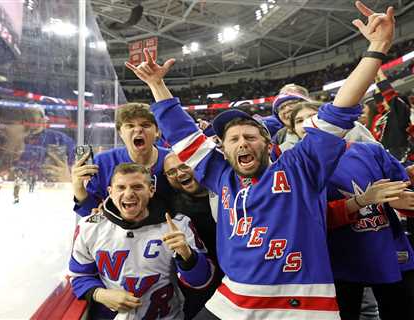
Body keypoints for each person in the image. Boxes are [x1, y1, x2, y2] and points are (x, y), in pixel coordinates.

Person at [125, 2, 395, 318]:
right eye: (234, 139)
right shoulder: (218, 174)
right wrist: (157, 84)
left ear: (267, 142)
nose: (242, 143)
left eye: (250, 136)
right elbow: (182, 132)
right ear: (222, 149)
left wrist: (376, 48)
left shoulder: (300, 168)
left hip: (299, 304)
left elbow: (340, 109)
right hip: (232, 297)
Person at [289, 102, 414, 320]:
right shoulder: (294, 170)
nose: (308, 123)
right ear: (292, 130)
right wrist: (361, 201)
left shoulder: (372, 151)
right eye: (299, 121)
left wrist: (399, 200)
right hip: (338, 259)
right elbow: (308, 219)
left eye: (315, 116)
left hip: (389, 250)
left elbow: (404, 195)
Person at [69, 163, 214, 320]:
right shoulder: (89, 227)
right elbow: (79, 276)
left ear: (151, 190)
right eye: (121, 187)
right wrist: (100, 294)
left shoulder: (178, 225)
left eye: (137, 187)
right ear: (110, 192)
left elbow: (202, 282)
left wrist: (188, 257)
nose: (129, 193)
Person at [71, 103, 173, 217]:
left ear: (157, 131)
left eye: (145, 125)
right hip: (117, 232)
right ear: (120, 133)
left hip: (166, 230)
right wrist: (78, 187)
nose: (138, 129)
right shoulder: (103, 163)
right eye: (130, 126)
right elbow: (91, 213)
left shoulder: (173, 160)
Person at [164, 152, 223, 319]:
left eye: (184, 166)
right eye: (172, 172)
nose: (180, 173)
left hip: (238, 281)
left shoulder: (231, 192)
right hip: (199, 291)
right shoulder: (168, 207)